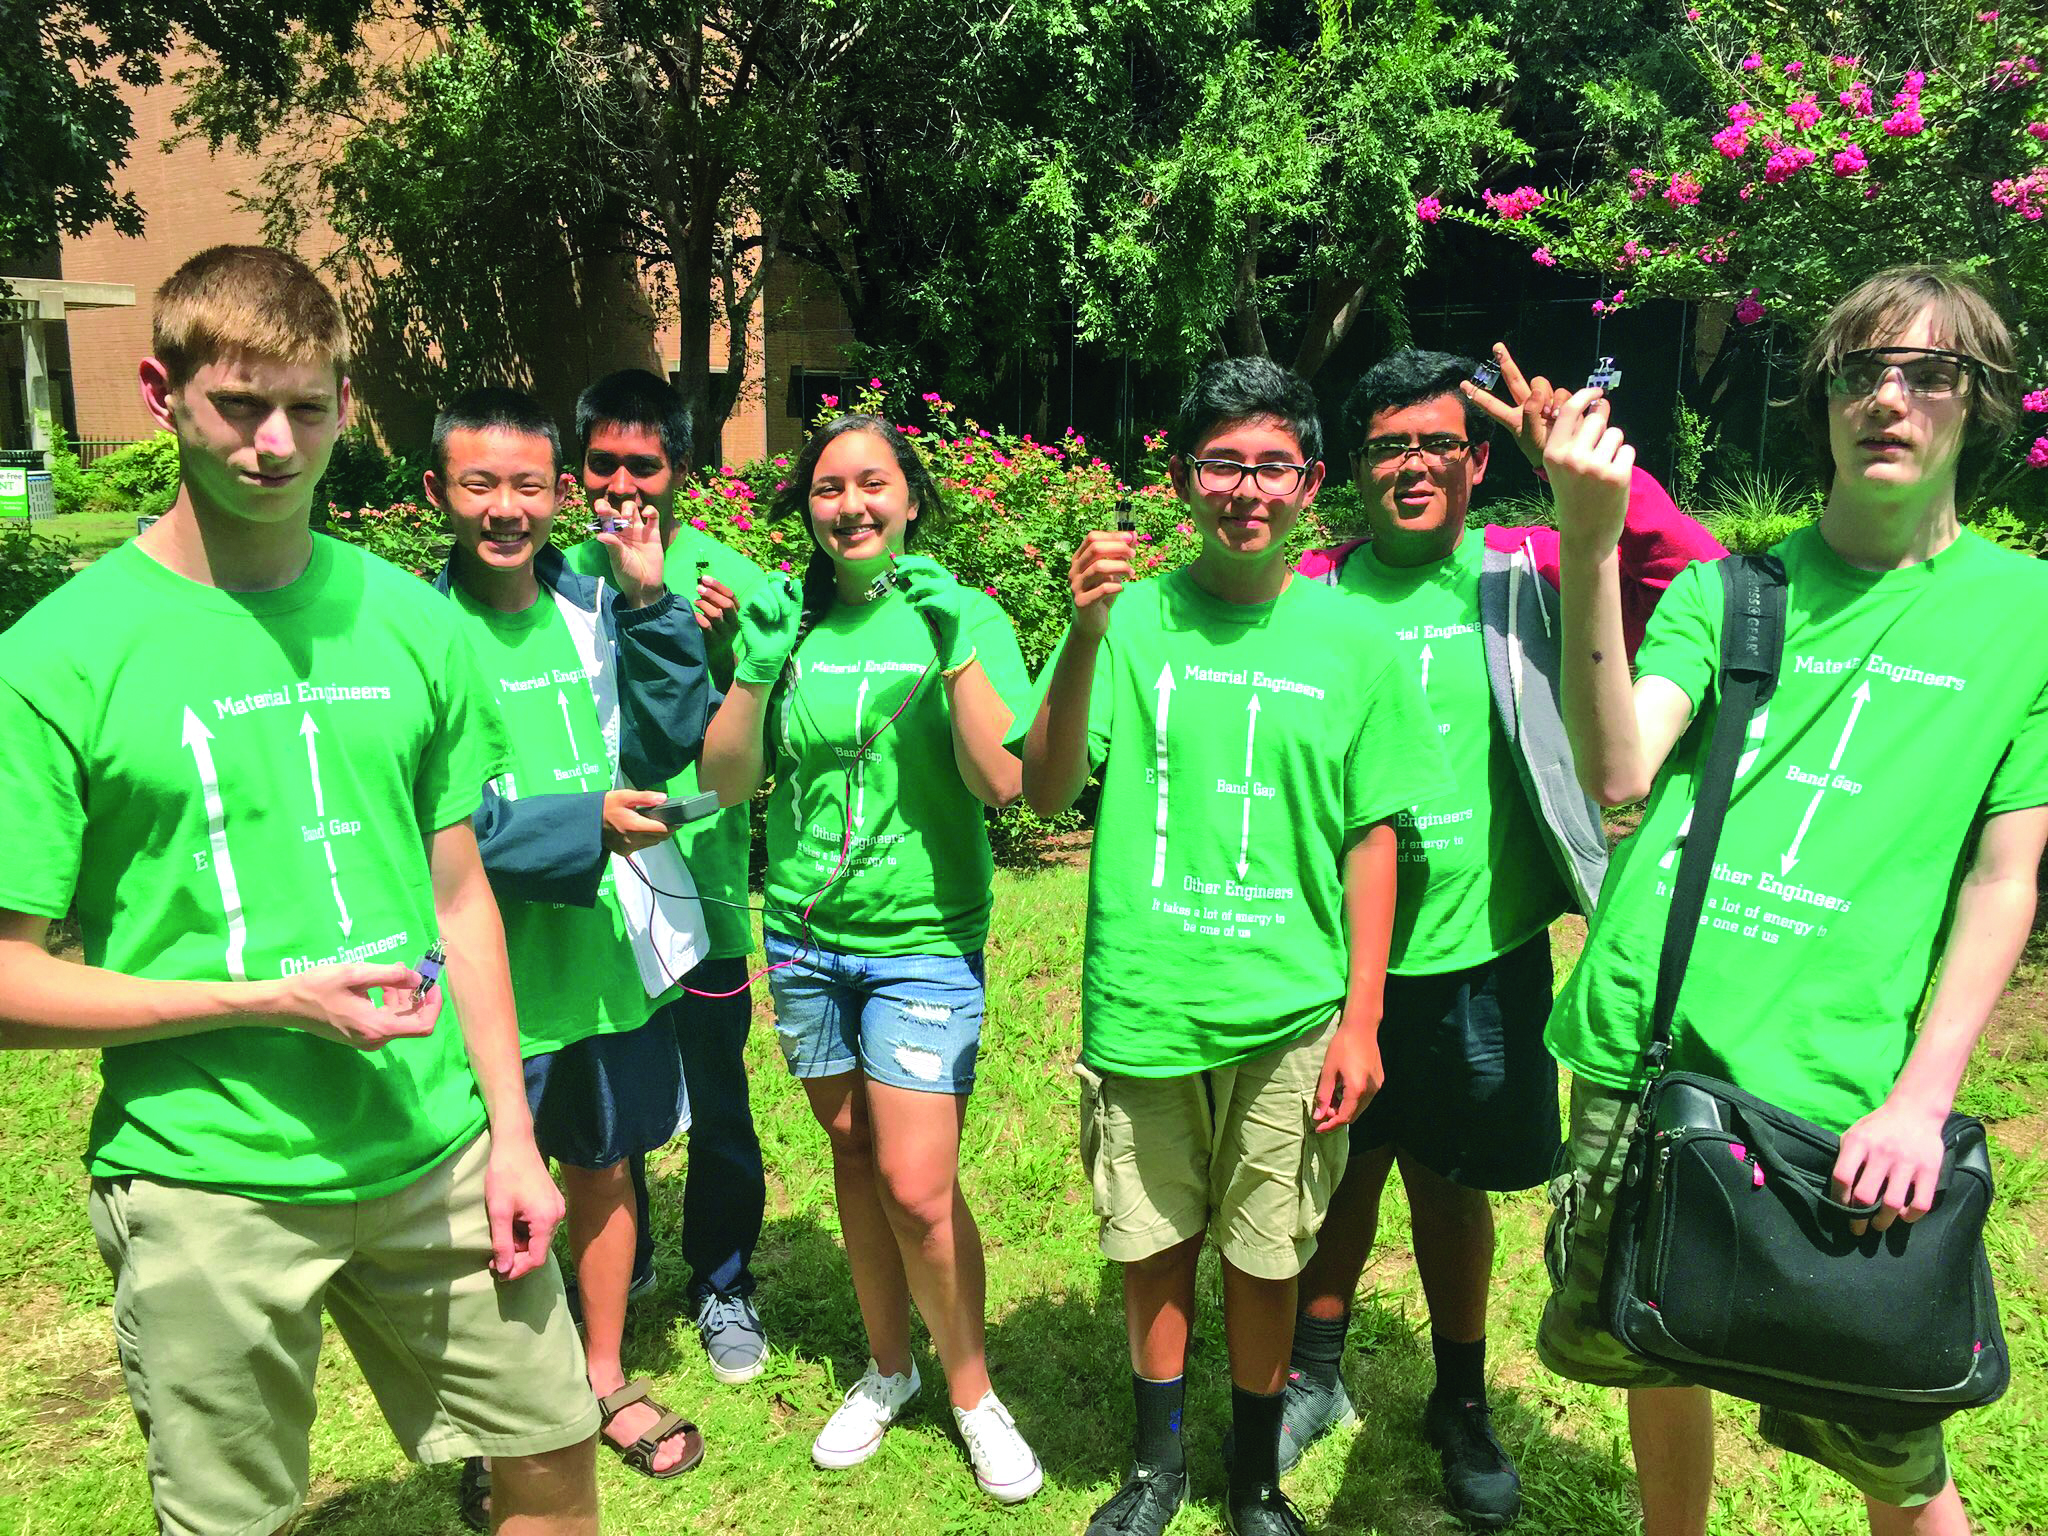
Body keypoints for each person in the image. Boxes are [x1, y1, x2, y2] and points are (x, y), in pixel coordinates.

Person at [0, 246, 600, 1534]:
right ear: (161, 391)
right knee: (233, 1521)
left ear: (344, 400)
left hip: (434, 1148)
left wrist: (512, 1134)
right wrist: (267, 1001)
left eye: (309, 408)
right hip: (208, 1178)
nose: (276, 443)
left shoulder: (411, 622)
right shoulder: (55, 659)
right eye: (238, 406)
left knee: (552, 1451)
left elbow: (459, 899)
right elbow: (9, 980)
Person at [1540, 265, 2048, 1536]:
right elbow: (1615, 767)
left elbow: (2005, 876)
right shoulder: (1732, 591)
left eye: (1926, 373)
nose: (1887, 397)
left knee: (1883, 1427)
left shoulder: (2026, 620)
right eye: (1858, 371)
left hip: (1834, 1079)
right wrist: (1590, 545)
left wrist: (1923, 1099)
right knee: (1651, 1334)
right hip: (1643, 1039)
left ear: (1974, 404)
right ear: (1820, 400)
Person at [1281, 346, 1723, 1524]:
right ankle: (1311, 1377)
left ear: (1476, 460)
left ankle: (1459, 1400)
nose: (1411, 465)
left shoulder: (1522, 567)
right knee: (1334, 1172)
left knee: (1450, 1180)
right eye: (1386, 446)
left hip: (1484, 949)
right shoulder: (1310, 591)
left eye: (1436, 443)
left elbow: (1700, 579)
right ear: (1355, 470)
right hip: (1335, 951)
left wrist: (1583, 482)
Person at [1019, 357, 1452, 1536]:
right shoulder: (1131, 619)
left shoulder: (1354, 640)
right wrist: (1078, 632)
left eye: (1271, 465)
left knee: (1268, 1254)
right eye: (1222, 464)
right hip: (1148, 999)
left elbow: (1374, 837)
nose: (1245, 489)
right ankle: (1155, 1466)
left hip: (1289, 1013)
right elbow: (1045, 785)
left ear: (1310, 485)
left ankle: (1252, 1474)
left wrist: (1359, 1018)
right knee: (1152, 1244)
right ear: (1182, 477)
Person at [698, 412, 1043, 1502]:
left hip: (922, 945)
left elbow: (1004, 784)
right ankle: (888, 1367)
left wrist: (952, 653)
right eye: (827, 489)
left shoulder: (967, 612)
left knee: (916, 1185)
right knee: (852, 1155)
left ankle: (972, 1390)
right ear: (806, 508)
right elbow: (727, 782)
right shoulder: (786, 620)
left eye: (872, 484)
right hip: (802, 939)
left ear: (909, 497)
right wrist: (749, 669)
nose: (850, 506)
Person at [424, 385, 715, 1510]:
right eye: (480, 484)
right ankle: (508, 1419)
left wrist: (649, 608)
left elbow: (665, 736)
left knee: (603, 1171)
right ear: (439, 492)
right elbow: (436, 821)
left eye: (529, 485)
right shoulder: (412, 631)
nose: (507, 508)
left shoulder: (597, 604)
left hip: (603, 955)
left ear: (560, 491)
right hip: (484, 971)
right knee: (494, 1198)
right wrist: (581, 823)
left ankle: (599, 1379)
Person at [566, 369, 773, 1385]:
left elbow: (752, 730)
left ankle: (724, 1278)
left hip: (701, 893)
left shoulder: (727, 578)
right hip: (593, 905)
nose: (621, 488)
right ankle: (625, 1261)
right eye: (602, 465)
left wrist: (730, 646)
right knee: (613, 1106)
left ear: (681, 472)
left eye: (643, 466)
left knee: (716, 1096)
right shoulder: (550, 574)